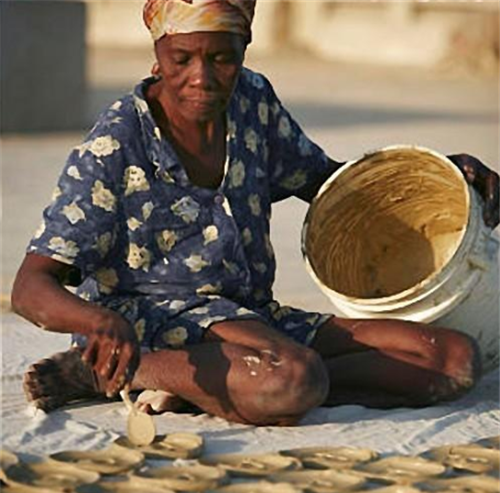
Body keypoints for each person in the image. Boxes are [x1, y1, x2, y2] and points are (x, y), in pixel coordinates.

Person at [12, 0, 499, 426]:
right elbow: (31, 286)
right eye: (182, 58)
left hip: (251, 316)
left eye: (222, 58)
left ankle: (229, 387)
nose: (202, 77)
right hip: (152, 322)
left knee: (452, 360)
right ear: (158, 55)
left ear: (244, 46)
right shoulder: (116, 143)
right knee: (291, 379)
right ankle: (123, 371)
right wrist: (98, 324)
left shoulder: (252, 104)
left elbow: (327, 185)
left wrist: (437, 174)